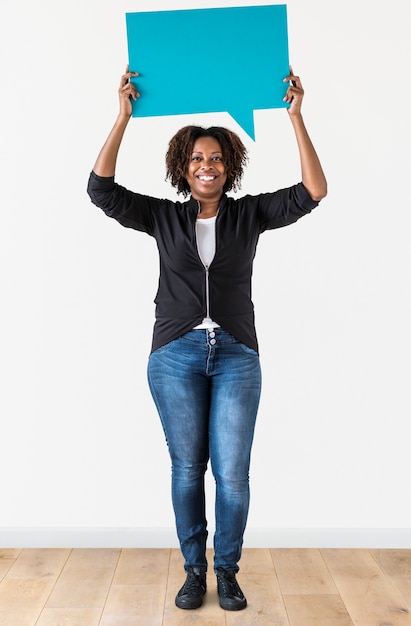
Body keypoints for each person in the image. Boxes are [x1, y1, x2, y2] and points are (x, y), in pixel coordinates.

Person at [87, 65, 327, 612]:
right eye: (197, 158)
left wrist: (297, 117)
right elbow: (99, 190)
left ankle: (228, 570)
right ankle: (194, 571)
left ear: (229, 165)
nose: (207, 165)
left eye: (216, 157)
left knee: (233, 475)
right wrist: (122, 116)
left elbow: (315, 190)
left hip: (238, 355)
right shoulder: (162, 217)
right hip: (175, 355)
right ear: (182, 166)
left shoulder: (251, 214)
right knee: (186, 469)